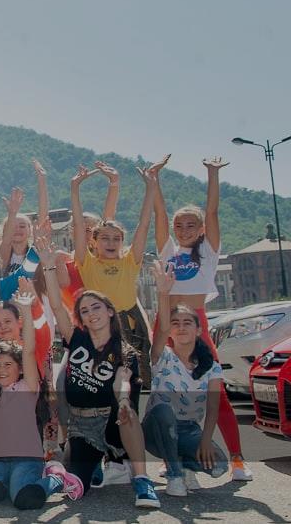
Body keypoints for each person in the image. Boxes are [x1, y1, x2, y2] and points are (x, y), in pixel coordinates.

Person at [152, 155, 251, 480]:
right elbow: (159, 215)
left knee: (214, 393)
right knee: (167, 394)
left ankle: (237, 459)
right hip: (166, 325)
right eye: (179, 226)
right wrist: (154, 180)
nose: (183, 230)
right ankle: (174, 458)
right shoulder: (168, 251)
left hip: (196, 325)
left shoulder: (208, 252)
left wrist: (212, 174)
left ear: (202, 229)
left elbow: (212, 212)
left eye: (190, 225)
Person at [0, 286, 83, 509]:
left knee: (25, 499)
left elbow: (28, 350)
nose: (1, 370)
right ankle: (9, 479)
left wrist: (26, 311)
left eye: (8, 365)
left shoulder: (28, 387)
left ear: (20, 368)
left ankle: (56, 477)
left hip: (27, 458)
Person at [51, 285, 160, 509]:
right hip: (82, 426)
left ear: (110, 311)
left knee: (127, 413)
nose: (91, 313)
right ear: (81, 318)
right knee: (76, 485)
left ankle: (142, 480)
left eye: (96, 307)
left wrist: (123, 400)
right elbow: (56, 306)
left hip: (111, 420)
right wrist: (48, 267)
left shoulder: (123, 351)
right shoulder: (76, 338)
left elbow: (122, 380)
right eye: (84, 311)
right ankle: (94, 465)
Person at [145, 262, 229, 496]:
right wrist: (163, 293)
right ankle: (174, 475)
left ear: (198, 330)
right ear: (171, 331)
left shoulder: (211, 367)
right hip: (157, 428)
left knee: (219, 465)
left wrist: (205, 441)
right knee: (164, 411)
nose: (181, 328)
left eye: (187, 323)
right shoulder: (163, 357)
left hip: (188, 429)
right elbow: (161, 330)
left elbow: (213, 408)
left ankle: (184, 464)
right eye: (176, 323)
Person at [71, 163, 157, 381]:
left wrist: (151, 186)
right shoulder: (87, 263)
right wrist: (75, 188)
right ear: (94, 241)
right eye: (105, 238)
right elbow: (79, 226)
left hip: (131, 324)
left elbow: (144, 224)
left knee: (139, 377)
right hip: (103, 326)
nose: (111, 243)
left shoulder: (130, 261)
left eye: (116, 239)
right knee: (106, 377)